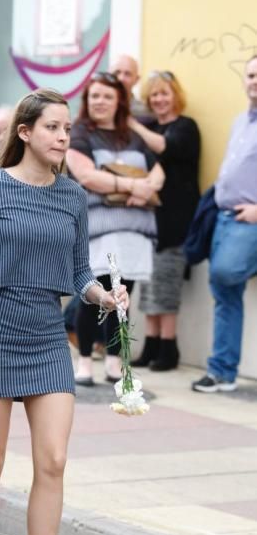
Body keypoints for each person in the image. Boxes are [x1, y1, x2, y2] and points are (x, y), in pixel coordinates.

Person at [0, 88, 128, 535]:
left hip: (47, 337)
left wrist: (103, 296)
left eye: (67, 129)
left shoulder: (73, 197)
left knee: (52, 461)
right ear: (26, 133)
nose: (63, 137)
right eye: (53, 127)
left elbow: (78, 271)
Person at [66, 72, 164, 385]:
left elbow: (159, 170)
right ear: (86, 100)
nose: (100, 102)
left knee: (124, 295)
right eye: (94, 95)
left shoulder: (132, 134)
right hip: (100, 230)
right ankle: (84, 362)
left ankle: (113, 361)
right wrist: (135, 185)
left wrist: (146, 187)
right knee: (94, 293)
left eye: (107, 96)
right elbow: (88, 176)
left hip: (135, 229)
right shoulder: (80, 132)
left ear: (119, 100)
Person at [192, 55, 257, 393]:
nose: (254, 80)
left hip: (249, 220)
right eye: (250, 74)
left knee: (224, 275)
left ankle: (222, 369)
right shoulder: (240, 122)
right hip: (224, 218)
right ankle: (222, 371)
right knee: (224, 294)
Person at [129, 71, 201, 370]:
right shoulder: (154, 127)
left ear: (176, 96)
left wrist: (133, 123)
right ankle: (152, 344)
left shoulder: (185, 127)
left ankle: (169, 349)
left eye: (164, 93)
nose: (158, 100)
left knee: (166, 282)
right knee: (149, 282)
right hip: (150, 220)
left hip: (177, 221)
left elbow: (166, 147)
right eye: (153, 95)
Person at [110, 54, 154, 124]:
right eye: (117, 72)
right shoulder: (94, 107)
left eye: (127, 74)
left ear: (136, 79)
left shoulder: (145, 113)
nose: (121, 78)